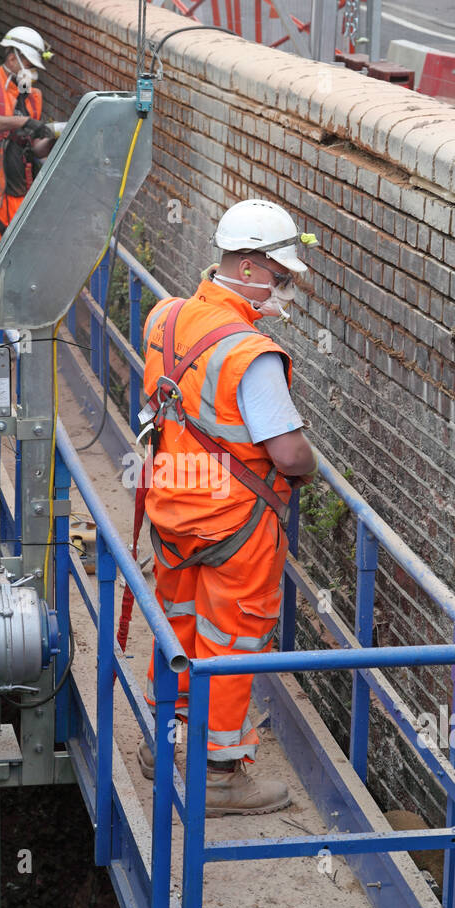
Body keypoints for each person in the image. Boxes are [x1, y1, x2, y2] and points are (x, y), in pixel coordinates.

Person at [137, 199, 320, 817]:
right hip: (236, 523)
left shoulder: (164, 318)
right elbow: (289, 454)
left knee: (179, 628)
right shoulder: (251, 354)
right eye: (280, 274)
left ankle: (162, 746)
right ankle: (219, 777)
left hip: (171, 509)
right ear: (247, 266)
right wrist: (311, 468)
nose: (284, 287)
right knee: (233, 640)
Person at [0, 25, 58, 250]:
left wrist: (55, 137)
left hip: (22, 196)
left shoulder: (33, 97)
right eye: (29, 65)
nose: (32, 71)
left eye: (34, 67)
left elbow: (35, 150)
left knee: (22, 265)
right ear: (13, 57)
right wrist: (23, 122)